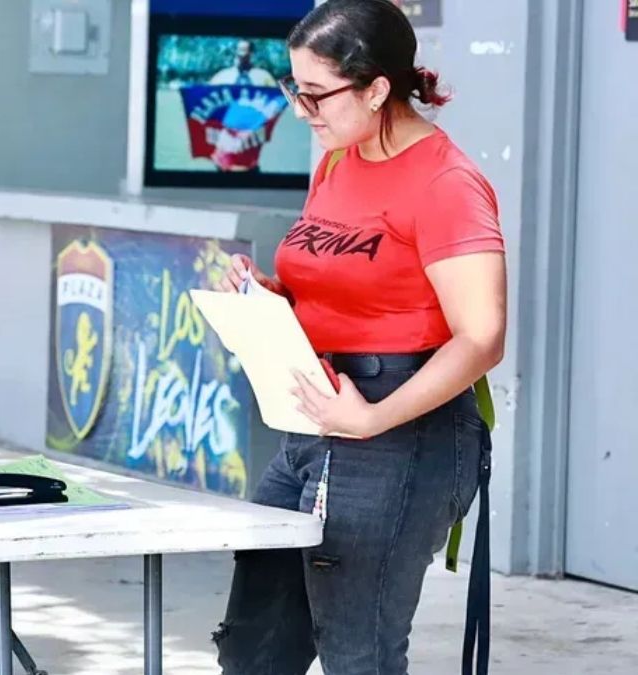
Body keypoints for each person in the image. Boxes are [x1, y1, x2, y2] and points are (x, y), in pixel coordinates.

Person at [212, 1, 506, 674]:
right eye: (294, 89)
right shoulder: (338, 159)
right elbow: (344, 282)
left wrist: (371, 417)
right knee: (254, 644)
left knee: (357, 649)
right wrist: (268, 293)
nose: (300, 110)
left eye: (315, 94)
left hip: (401, 427)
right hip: (316, 421)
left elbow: (483, 335)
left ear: (376, 88)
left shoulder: (446, 183)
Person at [209, 39, 277, 87]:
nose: (240, 54)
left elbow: (276, 95)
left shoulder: (264, 76)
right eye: (238, 50)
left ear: (251, 53)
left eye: (244, 50)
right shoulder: (222, 76)